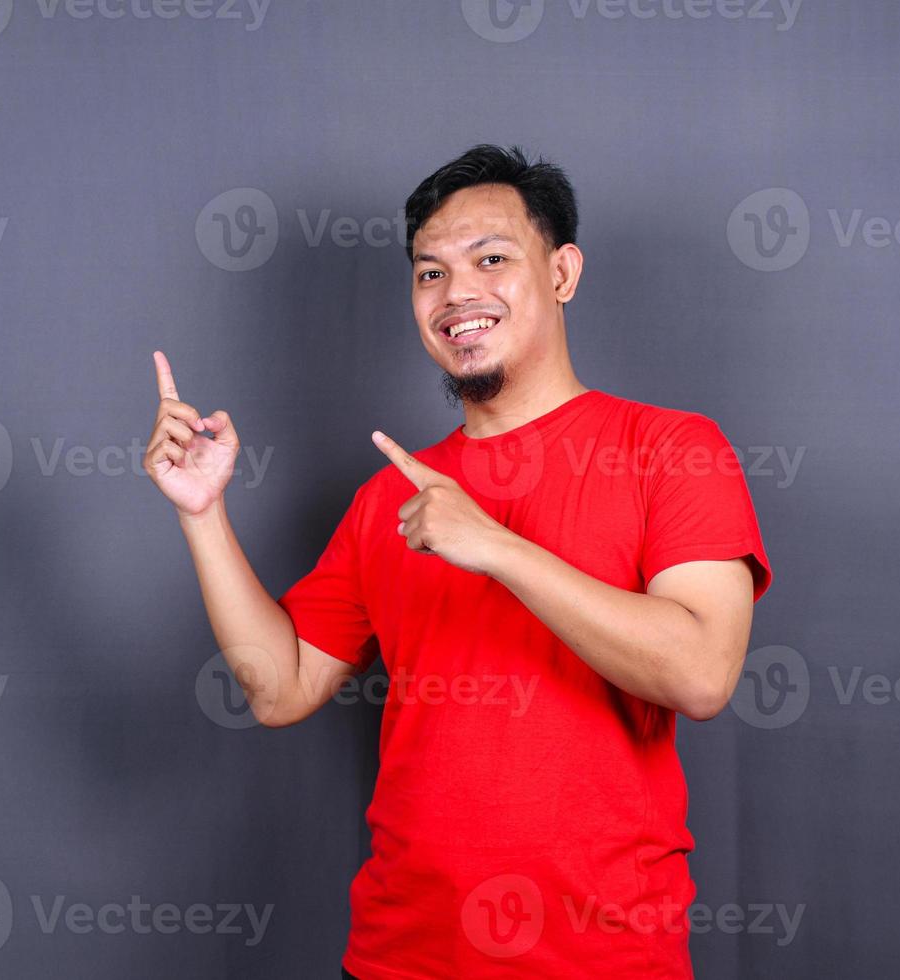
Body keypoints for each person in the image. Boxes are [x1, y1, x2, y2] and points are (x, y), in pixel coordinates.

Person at [144, 144, 773, 979]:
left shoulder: (672, 448)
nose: (457, 293)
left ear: (563, 273)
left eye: (492, 259)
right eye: (429, 272)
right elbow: (280, 685)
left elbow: (701, 673)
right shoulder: (389, 502)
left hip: (602, 961)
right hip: (398, 958)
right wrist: (204, 515)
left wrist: (498, 547)